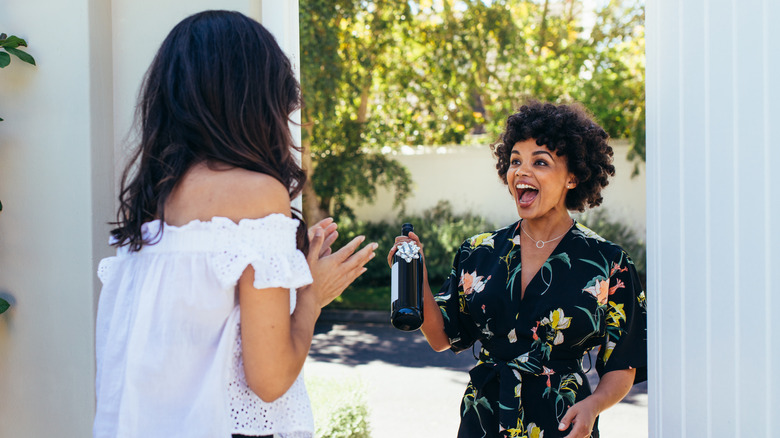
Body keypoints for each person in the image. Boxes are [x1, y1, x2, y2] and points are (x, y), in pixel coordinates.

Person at [94, 11, 377, 438]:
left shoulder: (151, 200)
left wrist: (288, 264)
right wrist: (311, 297)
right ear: (255, 98)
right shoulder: (258, 194)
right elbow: (270, 380)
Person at [388, 101, 647, 438]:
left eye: (540, 162)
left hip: (564, 424)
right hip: (485, 420)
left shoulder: (609, 263)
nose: (521, 172)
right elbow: (441, 337)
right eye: (515, 162)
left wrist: (594, 404)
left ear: (573, 177)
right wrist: (416, 278)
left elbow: (622, 363)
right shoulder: (478, 253)